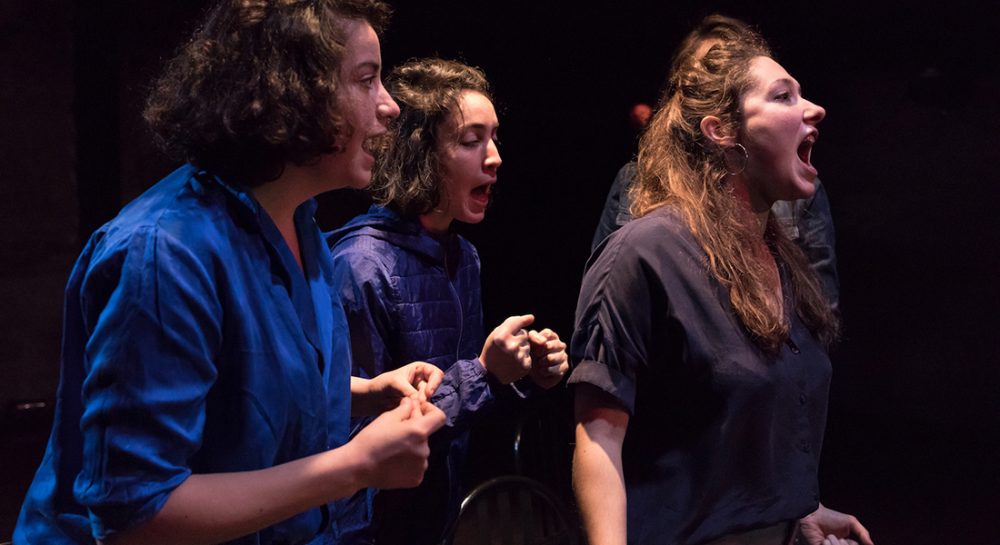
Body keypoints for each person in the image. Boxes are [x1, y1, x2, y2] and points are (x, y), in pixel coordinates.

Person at [14, 2, 447, 544]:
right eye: (366, 79)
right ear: (292, 92)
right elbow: (137, 516)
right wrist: (354, 466)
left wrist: (363, 392)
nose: (389, 106)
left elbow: (242, 391)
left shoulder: (300, 223)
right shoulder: (165, 252)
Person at [570, 15, 873, 545]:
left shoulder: (781, 260)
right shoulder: (646, 252)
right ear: (723, 131)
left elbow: (746, 427)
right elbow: (598, 441)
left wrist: (796, 513)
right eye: (783, 96)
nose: (814, 108)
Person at [327, 58, 570, 545]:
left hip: (435, 521)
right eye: (470, 140)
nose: (495, 156)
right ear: (422, 153)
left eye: (494, 137)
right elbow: (359, 438)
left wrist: (523, 376)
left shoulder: (464, 258)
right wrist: (483, 372)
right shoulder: (361, 265)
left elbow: (462, 410)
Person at [591, 164, 840, 313]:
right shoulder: (638, 178)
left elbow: (821, 308)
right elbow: (600, 298)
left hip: (766, 373)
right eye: (782, 97)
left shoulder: (799, 190)